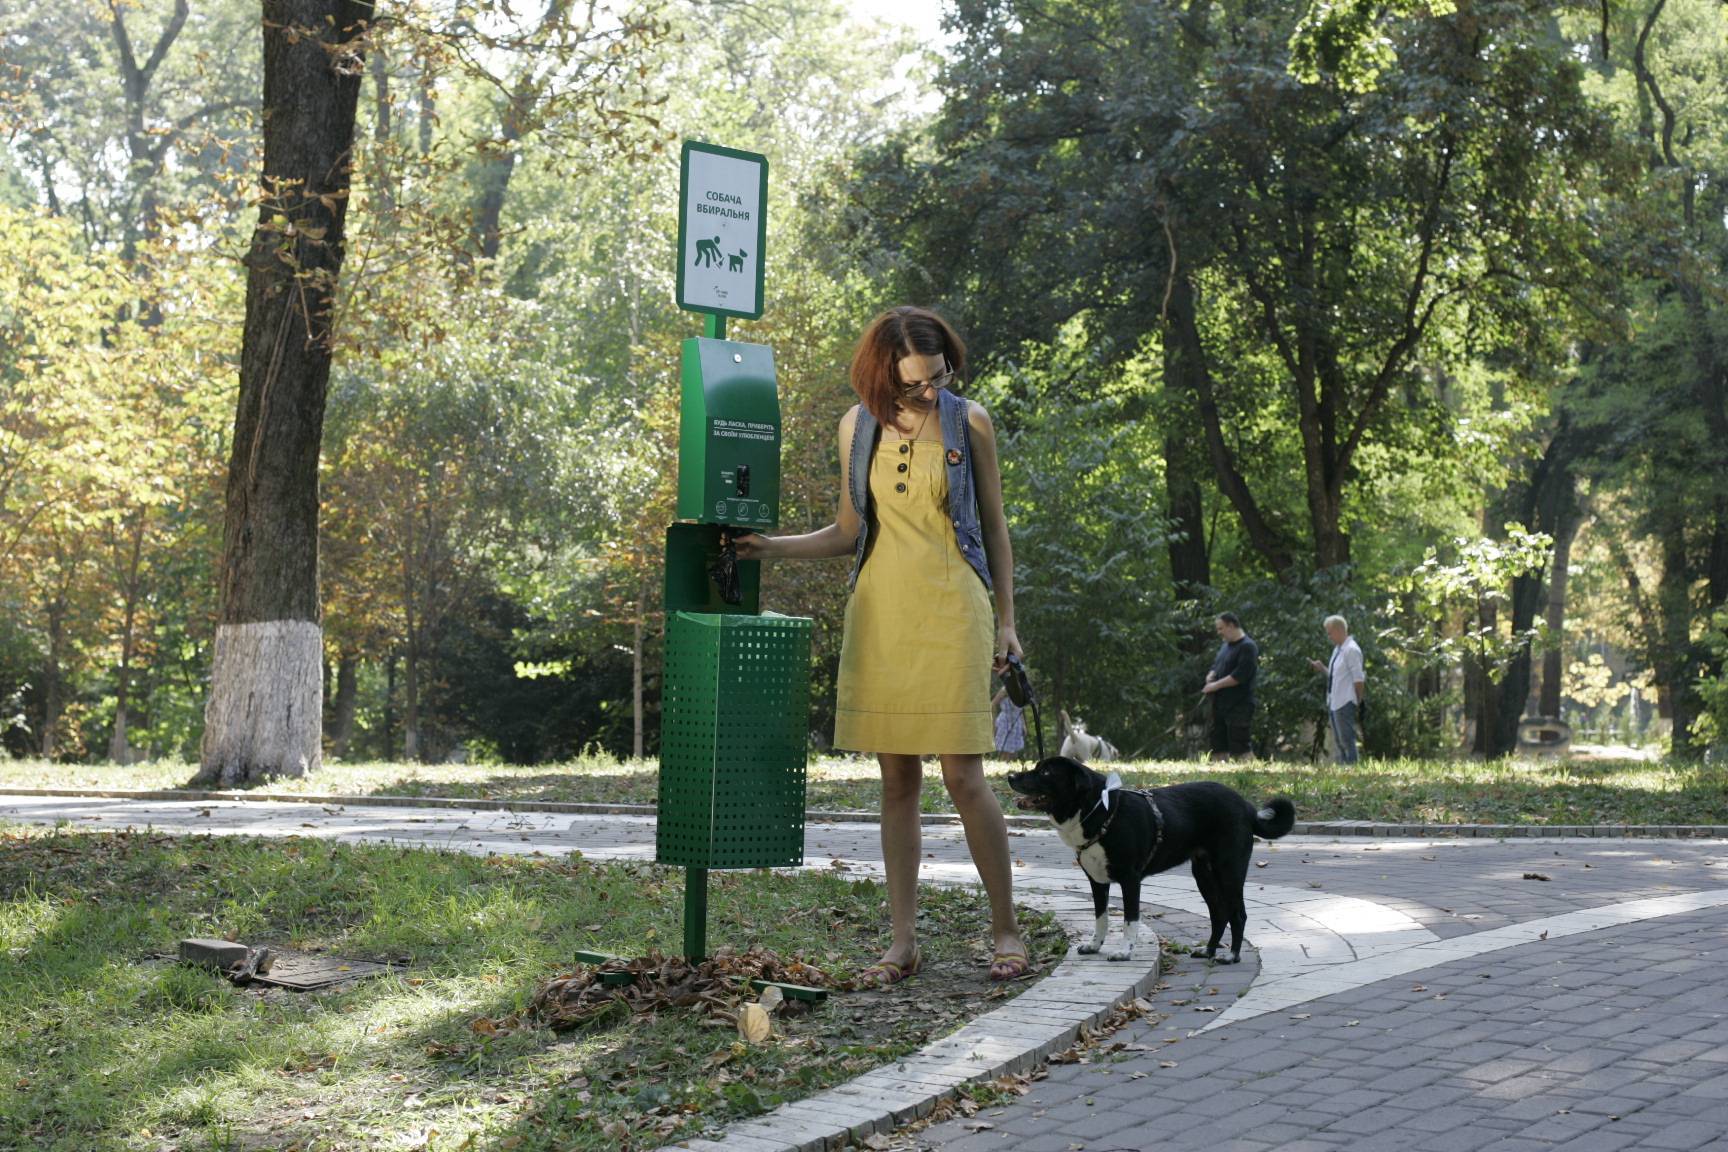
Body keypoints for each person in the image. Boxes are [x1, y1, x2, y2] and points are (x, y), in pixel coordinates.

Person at [731, 305, 1028, 985]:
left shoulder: (969, 422)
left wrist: (1007, 621)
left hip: (956, 608)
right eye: (917, 382)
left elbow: (998, 531)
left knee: (963, 777)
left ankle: (1006, 930)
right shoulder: (855, 427)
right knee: (896, 782)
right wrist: (769, 549)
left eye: (940, 376)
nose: (931, 392)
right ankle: (902, 944)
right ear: (883, 372)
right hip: (882, 611)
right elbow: (845, 532)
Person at [1309, 614, 1365, 764]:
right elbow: (1336, 677)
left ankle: (1352, 770)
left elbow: (1358, 679)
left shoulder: (1351, 650)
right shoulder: (1338, 649)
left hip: (1346, 701)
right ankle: (1343, 771)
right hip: (1334, 701)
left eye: (1330, 633)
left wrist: (1357, 701)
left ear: (1339, 630)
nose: (1329, 636)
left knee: (1347, 740)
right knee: (1339, 742)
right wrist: (1322, 669)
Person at [1202, 612, 1258, 759]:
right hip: (1220, 704)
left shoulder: (1248, 647)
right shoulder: (1225, 646)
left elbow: (1240, 676)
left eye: (1221, 628)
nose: (1219, 632)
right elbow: (1217, 665)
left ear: (1231, 625)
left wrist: (1215, 686)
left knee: (1240, 745)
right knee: (1218, 743)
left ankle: (1250, 773)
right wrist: (1211, 674)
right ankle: (1218, 774)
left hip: (1240, 704)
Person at [992, 687, 1026, 756]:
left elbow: (1020, 710)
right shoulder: (1005, 690)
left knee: (1014, 750)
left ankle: (1011, 765)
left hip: (1017, 721)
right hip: (1005, 722)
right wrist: (994, 721)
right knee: (1004, 749)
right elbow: (993, 704)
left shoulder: (1020, 689)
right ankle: (1002, 764)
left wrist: (1023, 725)